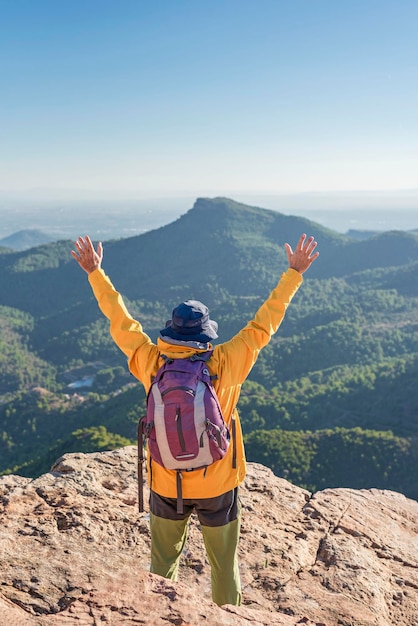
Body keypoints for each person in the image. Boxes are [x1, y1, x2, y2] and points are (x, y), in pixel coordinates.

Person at [71, 232, 319, 607]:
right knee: (223, 566)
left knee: (163, 564)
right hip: (218, 484)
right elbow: (264, 323)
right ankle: (227, 615)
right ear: (206, 335)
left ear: (171, 331)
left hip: (167, 481)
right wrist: (294, 273)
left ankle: (157, 614)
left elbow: (120, 320)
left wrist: (95, 272)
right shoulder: (227, 361)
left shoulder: (151, 361)